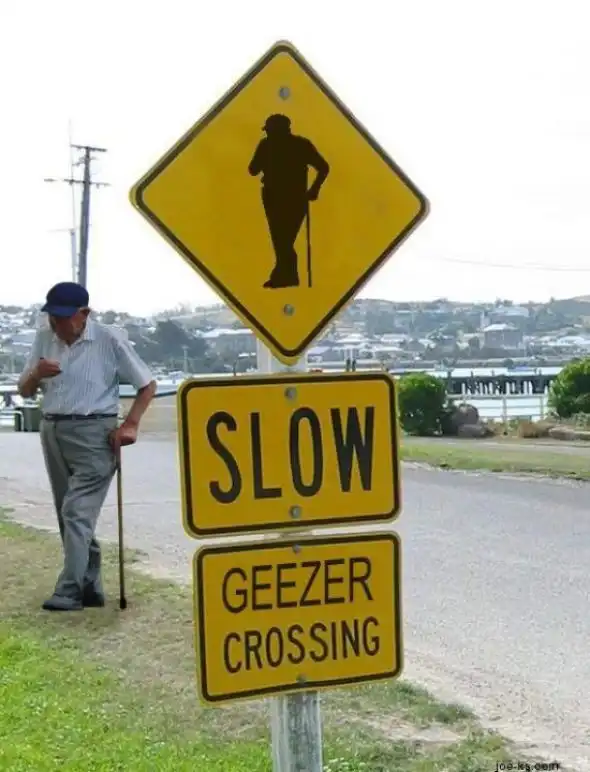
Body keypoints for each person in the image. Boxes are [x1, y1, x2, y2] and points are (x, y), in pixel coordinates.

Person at [17, 281, 157, 611]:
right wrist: (36, 373)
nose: (56, 323)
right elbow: (24, 390)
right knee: (68, 513)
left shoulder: (109, 339)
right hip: (52, 429)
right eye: (52, 316)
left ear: (84, 313)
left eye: (63, 316)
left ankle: (69, 590)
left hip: (95, 433)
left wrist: (130, 424)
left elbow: (147, 385)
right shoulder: (44, 338)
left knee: (76, 511)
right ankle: (90, 585)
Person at [248, 114, 329, 288]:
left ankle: (285, 277)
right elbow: (253, 170)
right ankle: (285, 276)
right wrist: (314, 189)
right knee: (281, 238)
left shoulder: (272, 145)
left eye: (270, 131)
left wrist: (314, 189)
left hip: (289, 196)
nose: (268, 133)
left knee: (283, 239)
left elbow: (324, 167)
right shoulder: (299, 144)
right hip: (280, 196)